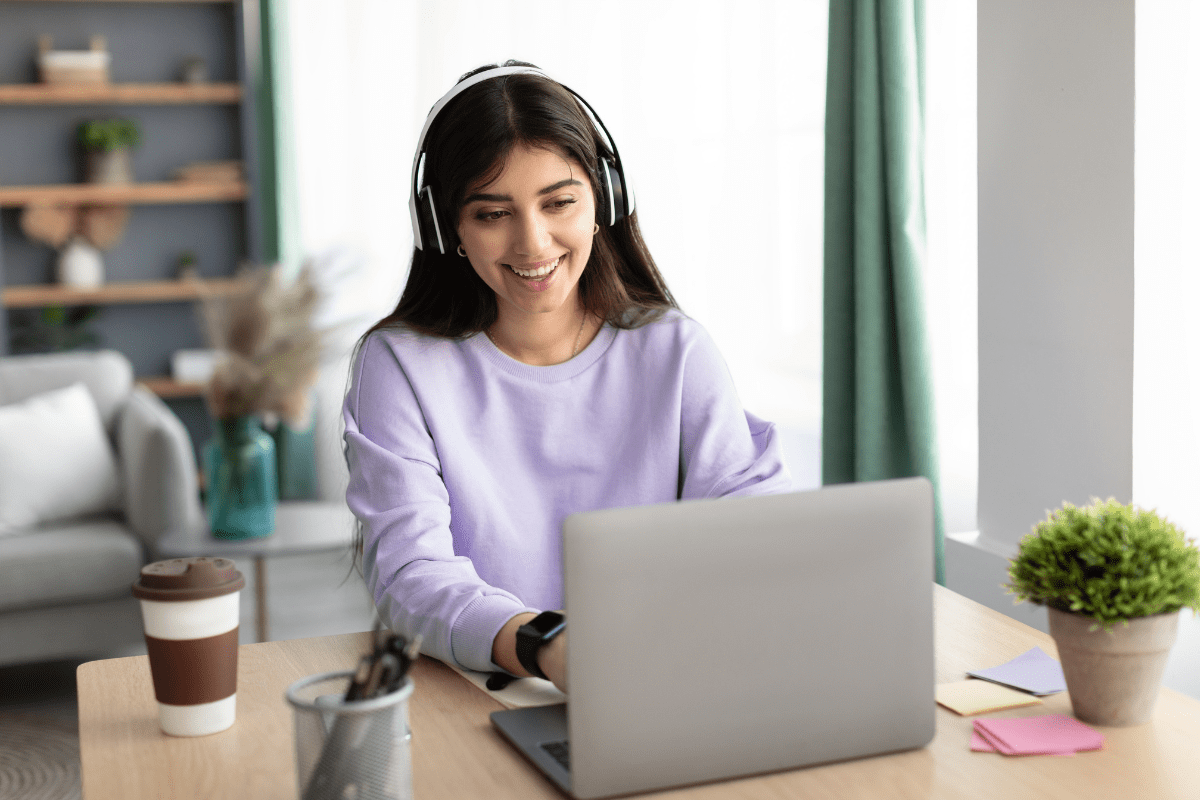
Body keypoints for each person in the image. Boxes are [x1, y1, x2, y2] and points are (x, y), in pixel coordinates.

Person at [343, 61, 792, 693]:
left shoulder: (676, 350)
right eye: (493, 213)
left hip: (664, 681)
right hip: (482, 694)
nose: (533, 243)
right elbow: (410, 574)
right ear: (447, 229)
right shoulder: (398, 367)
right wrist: (546, 645)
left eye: (559, 203)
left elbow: (752, 519)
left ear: (602, 200)